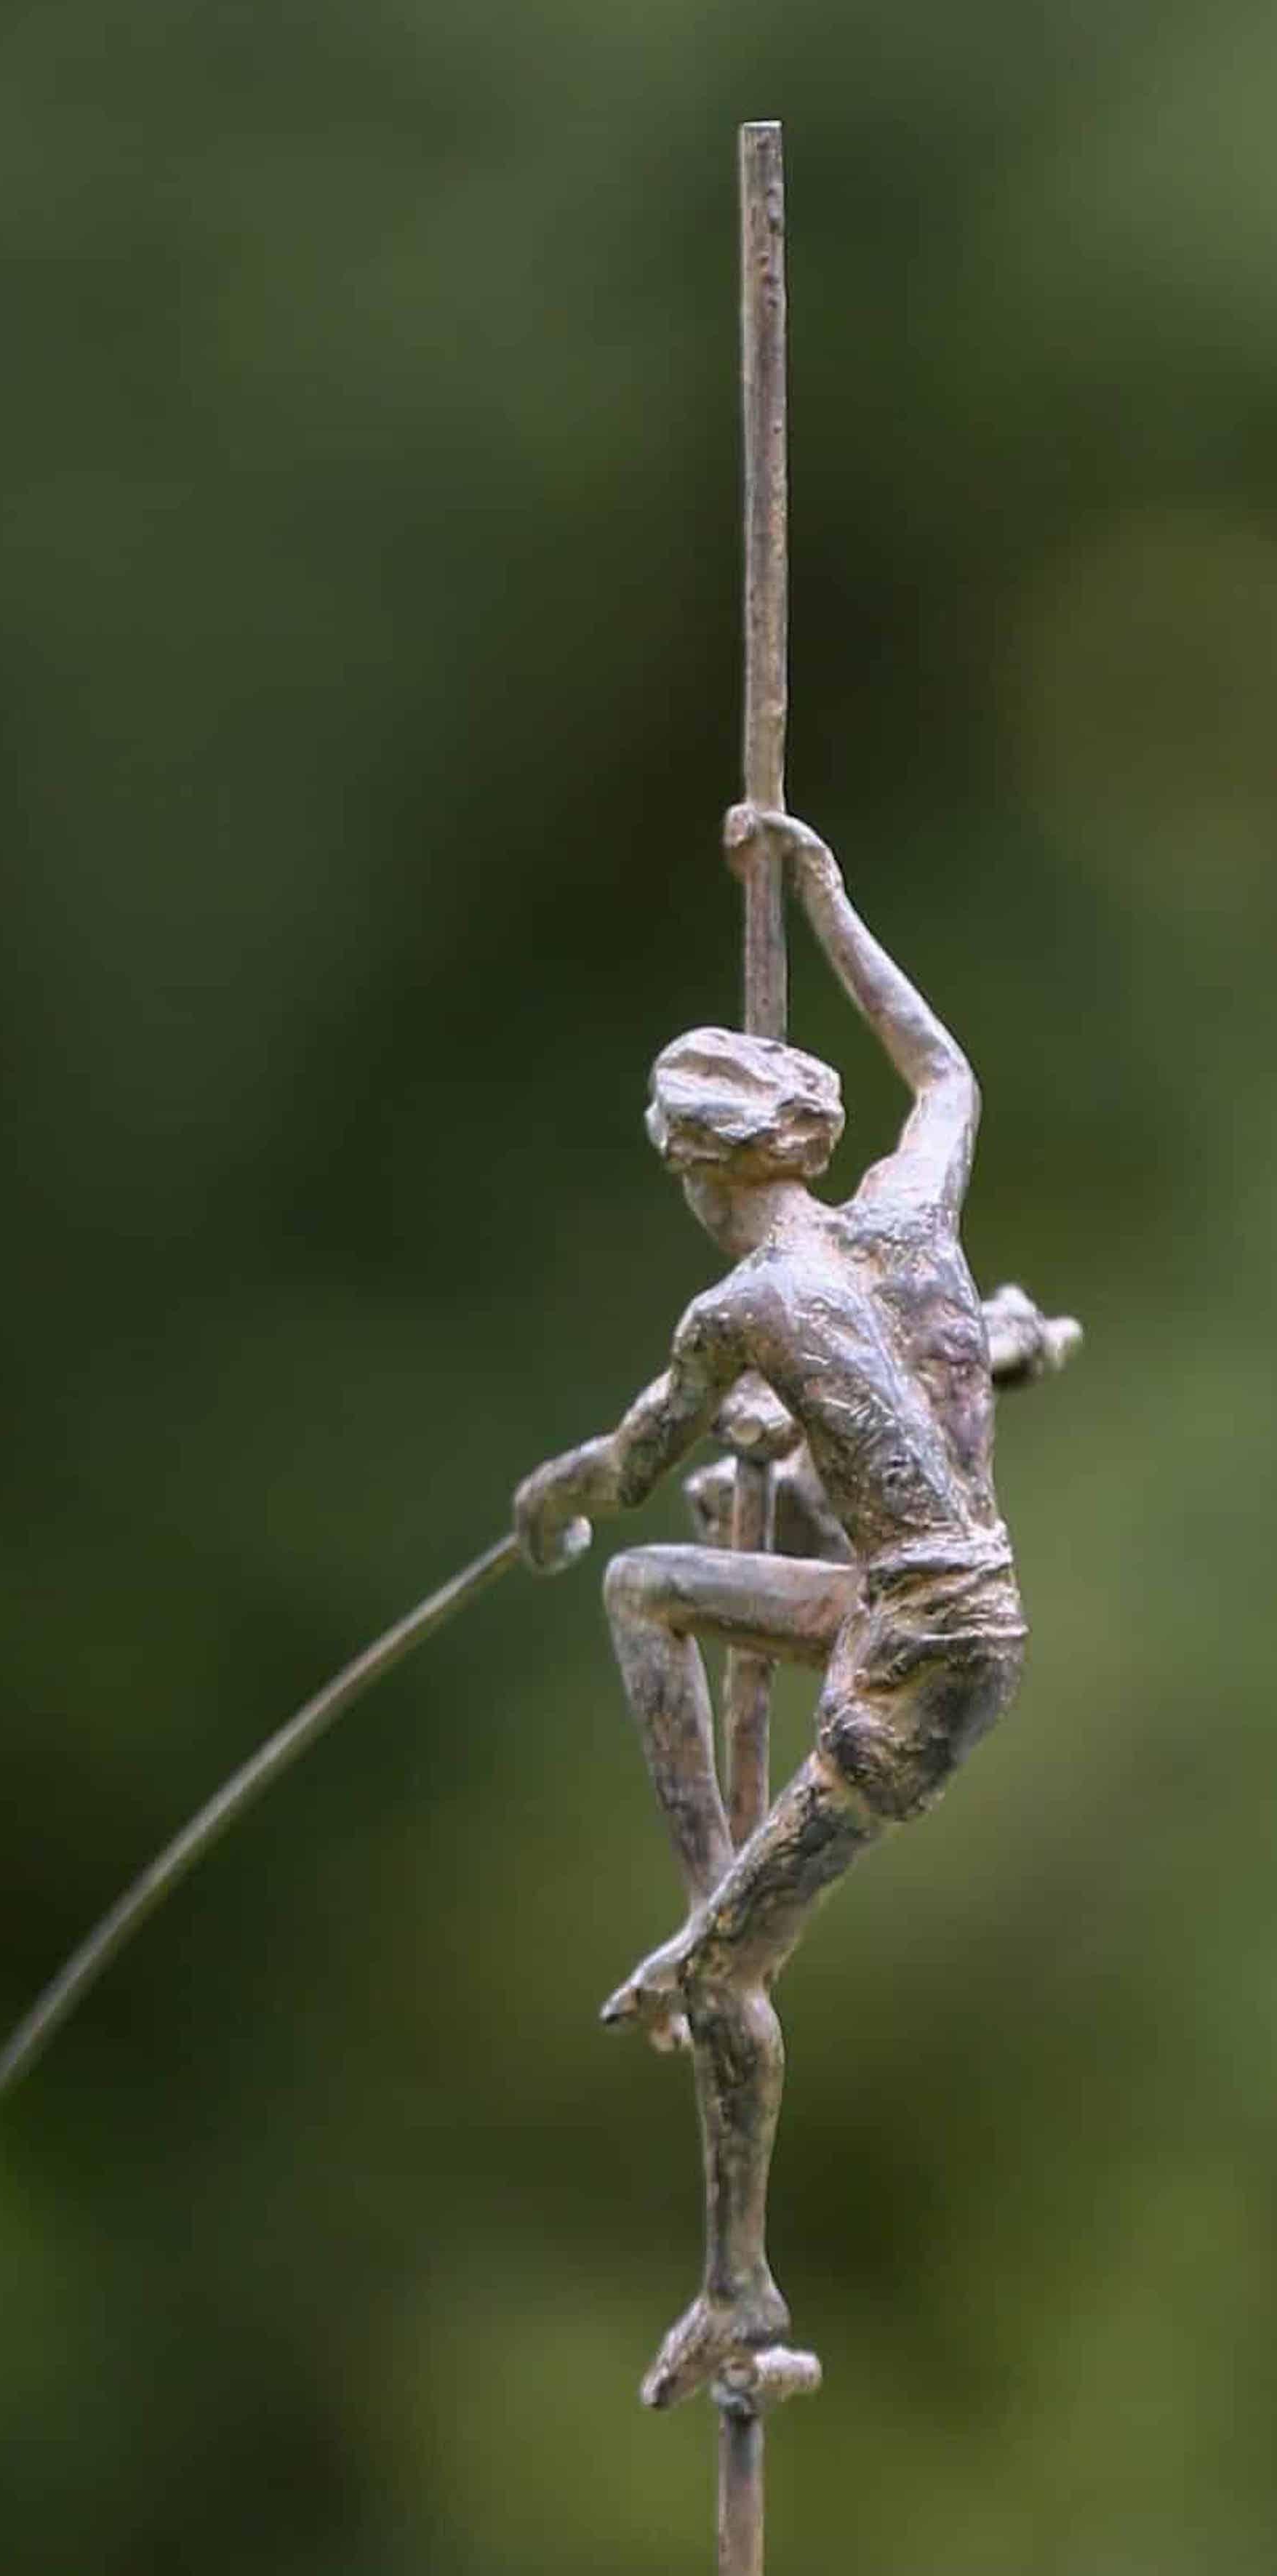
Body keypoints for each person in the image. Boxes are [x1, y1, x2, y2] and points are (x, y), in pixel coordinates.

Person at [514, 808, 1071, 2410]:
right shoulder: (905, 1214)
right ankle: (715, 1896)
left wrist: (546, 1497)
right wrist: (825, 893)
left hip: (919, 1660)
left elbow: (629, 1466)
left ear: (700, 1169)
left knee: (721, 1986)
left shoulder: (742, 1304)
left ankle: (739, 2294)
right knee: (651, 1591)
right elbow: (944, 1076)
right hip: (916, 1605)